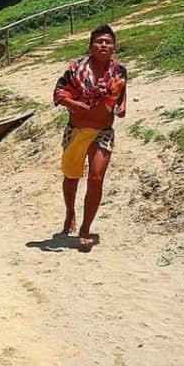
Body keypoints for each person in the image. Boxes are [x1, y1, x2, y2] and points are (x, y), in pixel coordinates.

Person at [52, 24, 127, 251]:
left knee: (96, 178)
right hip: (76, 131)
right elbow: (59, 93)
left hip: (102, 132)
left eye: (108, 42)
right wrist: (75, 104)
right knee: (71, 176)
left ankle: (85, 229)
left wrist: (117, 108)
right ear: (91, 46)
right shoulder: (75, 70)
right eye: (99, 41)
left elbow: (116, 100)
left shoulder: (119, 72)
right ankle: (70, 212)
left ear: (114, 47)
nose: (104, 45)